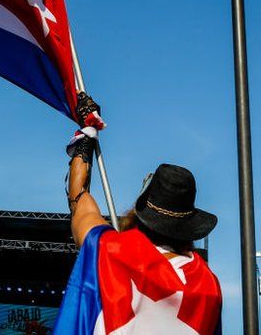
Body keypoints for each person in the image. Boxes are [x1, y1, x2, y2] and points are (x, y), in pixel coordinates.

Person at [53, 93, 222, 335]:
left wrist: (87, 135)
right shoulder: (209, 287)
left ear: (142, 212)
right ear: (189, 226)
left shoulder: (111, 250)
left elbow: (79, 198)